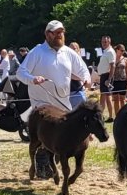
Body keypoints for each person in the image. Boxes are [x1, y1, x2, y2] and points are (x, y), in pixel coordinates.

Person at [17, 20, 91, 178]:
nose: (60, 35)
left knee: (63, 137)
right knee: (46, 135)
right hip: (42, 103)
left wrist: (86, 78)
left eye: (62, 32)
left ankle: (50, 161)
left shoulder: (68, 52)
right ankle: (42, 161)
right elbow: (20, 73)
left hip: (63, 103)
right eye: (56, 32)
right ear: (47, 34)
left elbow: (83, 68)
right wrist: (32, 78)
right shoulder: (37, 52)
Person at [97, 35, 116, 122]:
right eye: (102, 42)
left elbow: (113, 66)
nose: (103, 43)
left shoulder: (110, 52)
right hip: (104, 76)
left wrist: (109, 79)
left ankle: (106, 116)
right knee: (105, 97)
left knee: (105, 97)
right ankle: (107, 116)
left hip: (106, 76)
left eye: (105, 42)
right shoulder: (106, 51)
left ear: (109, 42)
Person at [112, 44, 127, 115]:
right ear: (117, 50)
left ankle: (123, 114)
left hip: (123, 81)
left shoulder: (125, 59)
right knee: (116, 99)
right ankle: (117, 115)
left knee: (122, 99)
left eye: (124, 51)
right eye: (122, 50)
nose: (123, 52)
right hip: (114, 81)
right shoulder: (112, 58)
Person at [68, 42, 88, 109]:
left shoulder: (80, 62)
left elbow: (83, 76)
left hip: (77, 91)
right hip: (69, 91)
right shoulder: (68, 61)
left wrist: (69, 75)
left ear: (78, 50)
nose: (72, 50)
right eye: (70, 49)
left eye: (74, 48)